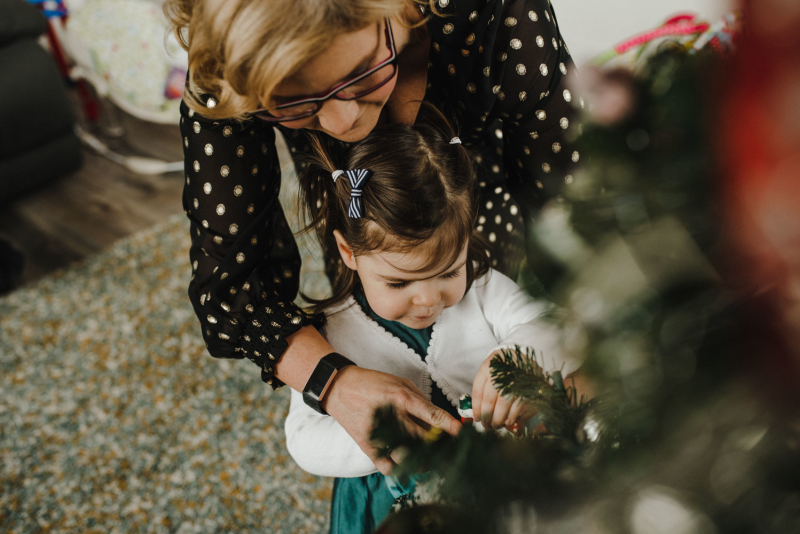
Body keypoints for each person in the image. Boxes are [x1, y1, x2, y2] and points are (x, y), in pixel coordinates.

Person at [165, 0, 582, 474]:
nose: (344, 124)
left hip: (485, 226)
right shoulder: (224, 67)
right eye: (294, 102)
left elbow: (580, 195)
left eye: (363, 73)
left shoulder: (493, 11)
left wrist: (571, 370)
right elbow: (232, 289)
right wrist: (333, 384)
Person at [284, 111, 581, 532]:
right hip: (390, 501)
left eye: (447, 272)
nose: (427, 299)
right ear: (349, 253)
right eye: (399, 282)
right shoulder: (328, 336)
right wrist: (380, 434)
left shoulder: (484, 289)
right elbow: (302, 439)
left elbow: (555, 328)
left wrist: (518, 358)